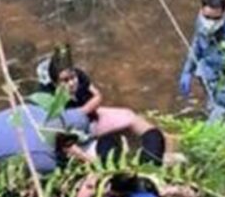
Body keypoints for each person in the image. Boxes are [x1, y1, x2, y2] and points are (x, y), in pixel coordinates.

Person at [37, 47, 166, 166]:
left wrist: (82, 113)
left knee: (132, 118)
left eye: (72, 78)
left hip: (89, 118)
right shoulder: (50, 103)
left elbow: (97, 96)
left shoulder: (79, 76)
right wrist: (91, 161)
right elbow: (64, 144)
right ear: (54, 84)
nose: (71, 83)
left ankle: (151, 160)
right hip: (74, 134)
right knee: (109, 146)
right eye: (65, 81)